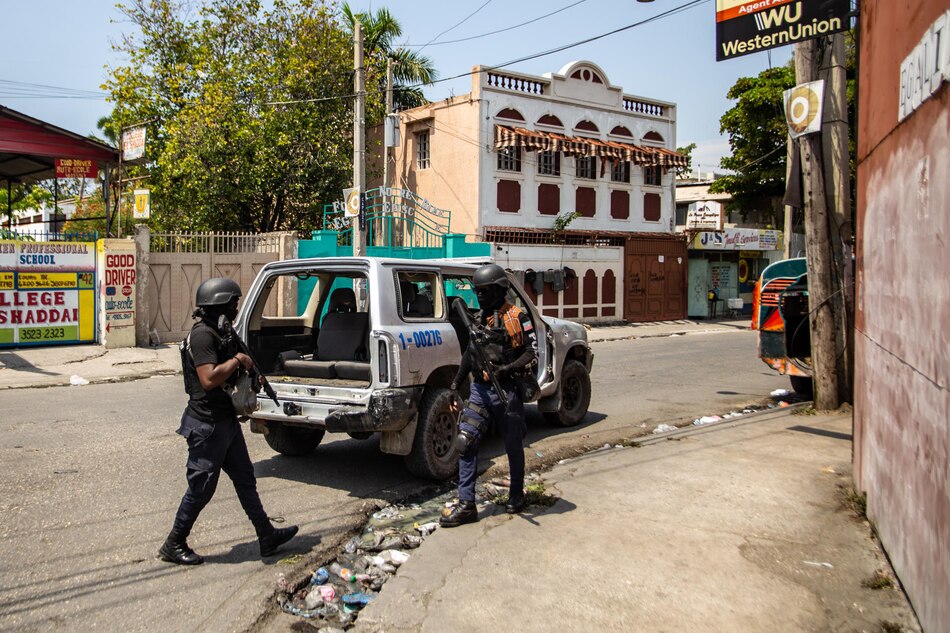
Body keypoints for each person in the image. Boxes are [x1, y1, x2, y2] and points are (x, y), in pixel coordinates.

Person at [159, 277, 298, 565]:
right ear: (220, 304)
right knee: (201, 488)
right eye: (233, 304)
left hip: (226, 423)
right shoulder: (202, 336)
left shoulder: (221, 332)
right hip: (207, 425)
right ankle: (174, 542)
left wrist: (251, 374)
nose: (236, 309)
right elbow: (208, 378)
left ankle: (266, 535)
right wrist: (238, 361)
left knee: (246, 480)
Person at [441, 264, 538, 527]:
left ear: (499, 290)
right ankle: (466, 504)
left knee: (513, 445)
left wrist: (505, 369)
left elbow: (532, 353)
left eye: (484, 291)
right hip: (480, 391)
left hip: (506, 391)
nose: (480, 296)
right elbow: (470, 354)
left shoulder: (517, 317)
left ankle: (516, 494)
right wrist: (455, 384)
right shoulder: (478, 319)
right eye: (477, 291)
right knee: (465, 442)